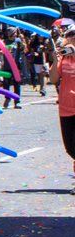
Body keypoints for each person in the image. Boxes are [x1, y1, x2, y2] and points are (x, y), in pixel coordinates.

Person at [49, 24, 75, 193]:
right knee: (70, 147)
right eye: (70, 34)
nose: (73, 37)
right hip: (66, 108)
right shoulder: (64, 57)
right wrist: (55, 59)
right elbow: (53, 79)